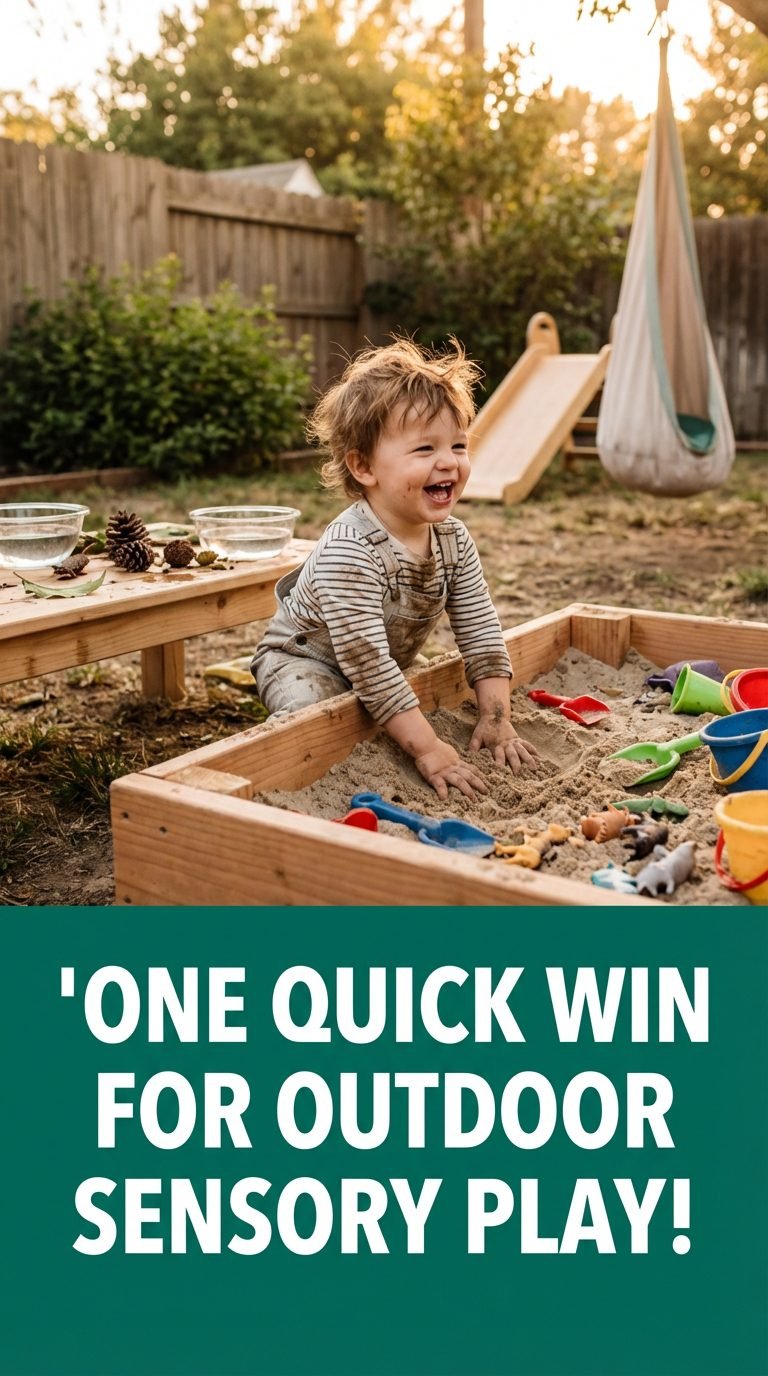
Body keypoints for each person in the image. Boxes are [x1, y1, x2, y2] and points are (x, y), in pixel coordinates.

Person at [252, 337, 538, 800]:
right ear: (364, 467)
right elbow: (367, 665)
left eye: (459, 445)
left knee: (397, 701)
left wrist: (496, 718)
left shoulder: (454, 541)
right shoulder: (350, 550)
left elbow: (482, 632)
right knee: (316, 721)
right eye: (425, 449)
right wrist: (429, 750)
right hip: (305, 661)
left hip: (379, 662)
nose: (449, 461)